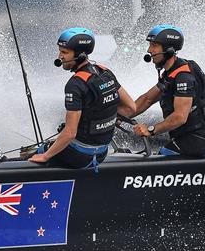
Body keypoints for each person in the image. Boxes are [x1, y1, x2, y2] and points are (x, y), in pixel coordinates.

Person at [29, 27, 135, 169]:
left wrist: (45, 156)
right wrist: (104, 120)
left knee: (40, 152)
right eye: (60, 51)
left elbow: (70, 133)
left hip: (80, 157)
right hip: (102, 152)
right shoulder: (105, 71)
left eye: (65, 52)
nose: (60, 56)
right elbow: (131, 107)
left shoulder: (75, 84)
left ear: (80, 55)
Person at [128, 24, 205, 157]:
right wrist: (119, 116)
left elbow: (180, 117)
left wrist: (150, 130)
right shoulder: (171, 73)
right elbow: (148, 99)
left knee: (162, 156)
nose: (149, 50)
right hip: (185, 138)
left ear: (169, 50)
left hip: (199, 140)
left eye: (154, 46)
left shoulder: (183, 77)